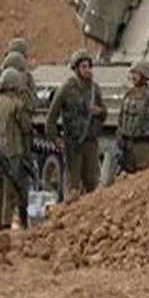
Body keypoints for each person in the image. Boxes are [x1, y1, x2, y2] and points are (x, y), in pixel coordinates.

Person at [46, 49, 105, 200]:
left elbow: (104, 114)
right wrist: (55, 139)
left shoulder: (94, 89)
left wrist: (99, 111)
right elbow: (51, 117)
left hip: (90, 144)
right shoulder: (66, 89)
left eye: (89, 66)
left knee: (93, 186)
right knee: (72, 188)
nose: (87, 70)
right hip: (73, 145)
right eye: (83, 67)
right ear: (76, 68)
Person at [0, 67, 33, 231]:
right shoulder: (16, 105)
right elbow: (26, 128)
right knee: (10, 191)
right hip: (12, 152)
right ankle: (6, 224)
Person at [116, 62, 149, 174]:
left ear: (144, 77)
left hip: (144, 149)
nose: (133, 77)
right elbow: (120, 120)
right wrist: (119, 139)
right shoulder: (128, 96)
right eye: (132, 73)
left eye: (137, 74)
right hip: (127, 149)